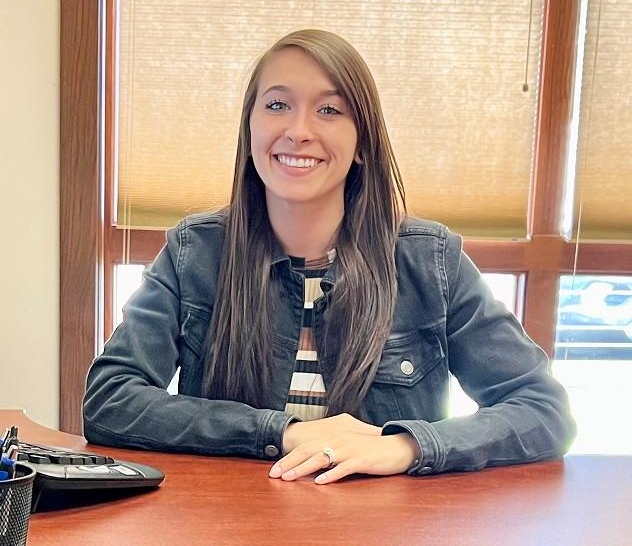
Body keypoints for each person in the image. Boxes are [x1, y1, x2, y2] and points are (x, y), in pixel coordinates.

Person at [83, 29, 576, 484]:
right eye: (277, 105)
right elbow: (110, 400)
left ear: (362, 143)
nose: (298, 131)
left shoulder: (431, 260)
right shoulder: (195, 251)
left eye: (329, 111)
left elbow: (542, 410)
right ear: (249, 129)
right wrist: (282, 432)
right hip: (232, 524)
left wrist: (408, 445)